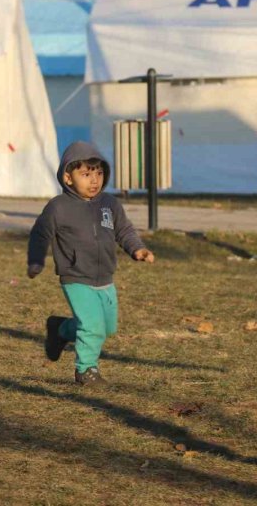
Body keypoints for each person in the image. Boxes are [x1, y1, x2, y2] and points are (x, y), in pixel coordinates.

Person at [27, 141, 154, 386]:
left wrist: (137, 249)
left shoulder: (109, 204)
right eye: (86, 174)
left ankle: (61, 329)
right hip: (76, 276)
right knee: (93, 327)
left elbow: (124, 230)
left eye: (99, 173)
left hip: (105, 277)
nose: (94, 180)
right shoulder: (58, 207)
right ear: (68, 177)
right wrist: (35, 261)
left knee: (106, 328)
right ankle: (86, 370)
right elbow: (40, 234)